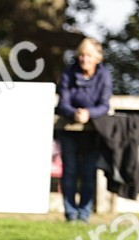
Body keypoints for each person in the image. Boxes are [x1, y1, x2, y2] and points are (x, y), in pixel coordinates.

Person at [56, 38, 113, 223]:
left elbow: (104, 105)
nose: (83, 59)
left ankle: (84, 215)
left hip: (93, 131)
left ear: (98, 58)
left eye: (88, 55)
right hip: (69, 131)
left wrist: (89, 113)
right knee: (70, 171)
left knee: (89, 173)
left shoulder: (104, 76)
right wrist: (74, 114)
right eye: (81, 55)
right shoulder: (68, 74)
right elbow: (63, 104)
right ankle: (70, 214)